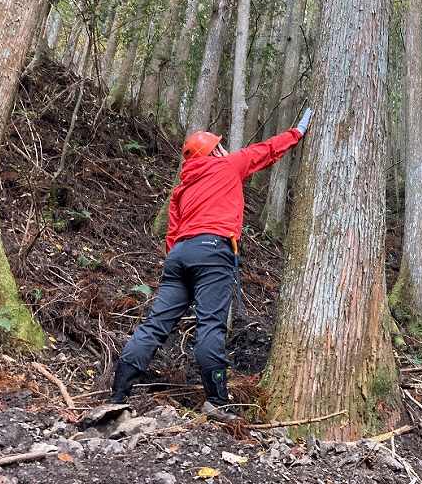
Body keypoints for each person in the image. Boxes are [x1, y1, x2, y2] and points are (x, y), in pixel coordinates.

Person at [109, 109, 313, 422]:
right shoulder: (228, 166)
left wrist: (182, 262)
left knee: (155, 325)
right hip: (213, 251)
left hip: (178, 257)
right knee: (211, 325)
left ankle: (118, 394)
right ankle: (218, 402)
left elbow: (172, 235)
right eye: (218, 145)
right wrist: (297, 131)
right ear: (214, 151)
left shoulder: (182, 188)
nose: (222, 147)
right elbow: (267, 150)